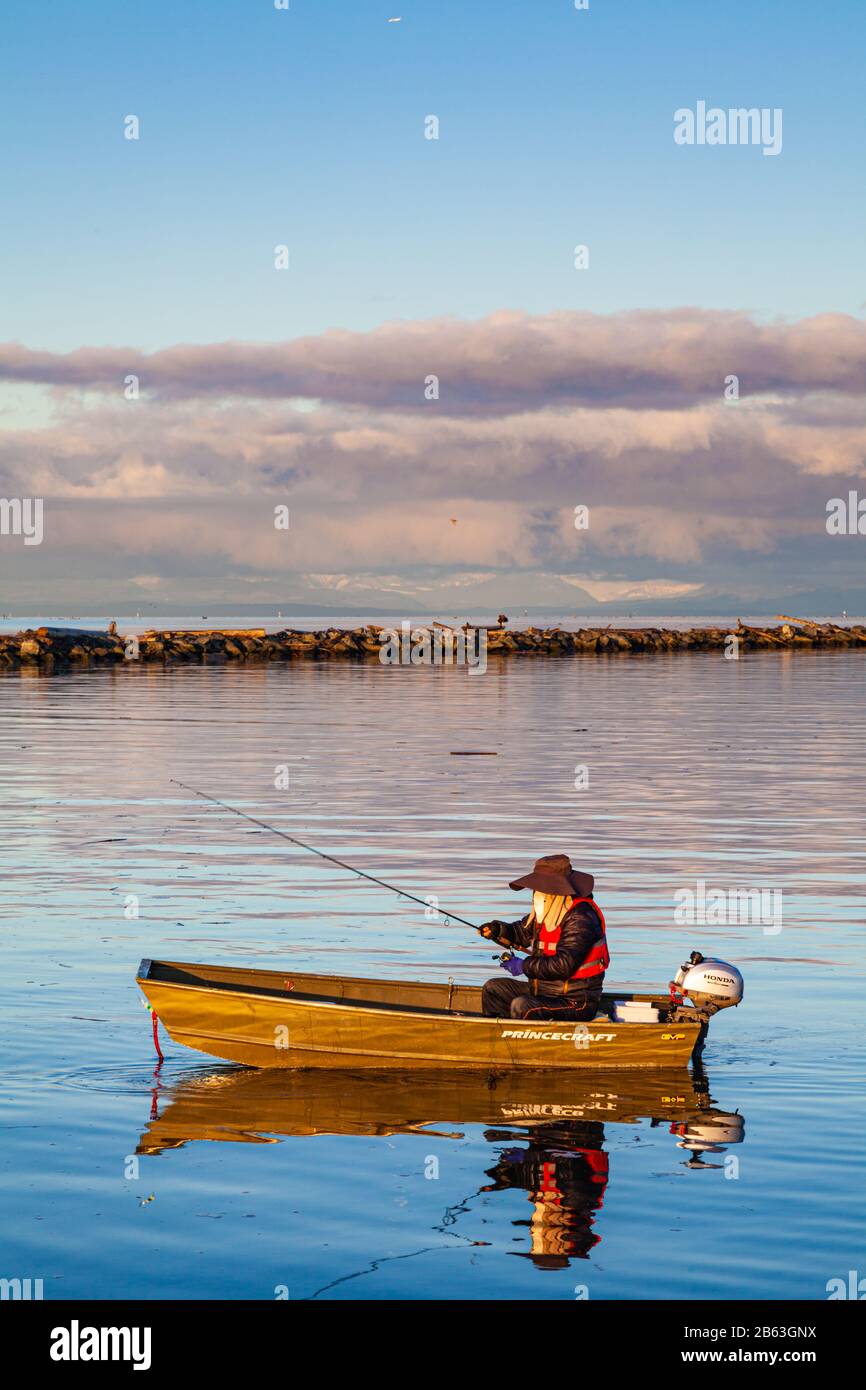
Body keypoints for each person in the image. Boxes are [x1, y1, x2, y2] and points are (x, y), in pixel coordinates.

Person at [480, 854, 608, 1021]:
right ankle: (494, 1039)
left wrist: (523, 966)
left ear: (554, 890)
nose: (535, 893)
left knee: (522, 1005)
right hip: (542, 990)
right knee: (493, 989)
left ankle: (523, 1044)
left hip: (574, 1002)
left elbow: (564, 965)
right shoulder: (545, 911)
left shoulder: (580, 917)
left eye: (539, 888)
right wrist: (497, 930)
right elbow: (521, 932)